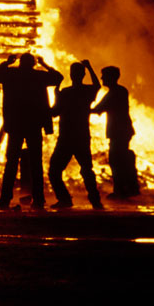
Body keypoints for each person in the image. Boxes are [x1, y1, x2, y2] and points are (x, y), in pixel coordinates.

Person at [0, 52, 63, 210]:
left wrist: (6, 63)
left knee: (11, 163)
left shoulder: (10, 74)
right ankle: (39, 199)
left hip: (15, 124)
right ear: (33, 64)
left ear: (20, 63)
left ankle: (4, 199)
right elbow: (58, 78)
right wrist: (45, 64)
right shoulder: (38, 76)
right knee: (36, 163)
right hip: (34, 124)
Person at [49, 59, 104, 210]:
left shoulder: (66, 93)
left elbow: (54, 113)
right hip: (82, 136)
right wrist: (90, 67)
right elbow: (97, 85)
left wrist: (56, 96)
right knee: (87, 169)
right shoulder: (87, 92)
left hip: (66, 137)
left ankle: (65, 199)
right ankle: (95, 201)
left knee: (54, 171)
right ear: (83, 75)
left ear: (71, 75)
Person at [90, 66, 140, 199]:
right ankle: (124, 189)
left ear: (111, 77)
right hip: (120, 131)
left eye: (104, 76)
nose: (101, 78)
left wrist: (81, 108)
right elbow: (100, 107)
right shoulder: (118, 91)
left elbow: (99, 108)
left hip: (120, 131)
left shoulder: (115, 93)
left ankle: (122, 191)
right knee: (118, 160)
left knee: (116, 160)